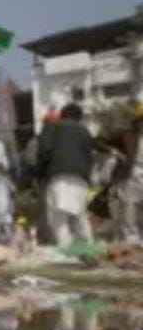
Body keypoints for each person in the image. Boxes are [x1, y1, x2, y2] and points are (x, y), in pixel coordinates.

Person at [37, 103, 96, 248]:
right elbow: (90, 157)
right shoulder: (85, 131)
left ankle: (68, 249)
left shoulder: (52, 127)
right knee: (79, 214)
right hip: (81, 178)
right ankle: (87, 247)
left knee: (58, 217)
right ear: (79, 117)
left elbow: (44, 152)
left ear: (62, 115)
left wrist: (40, 174)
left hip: (59, 176)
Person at [112, 103, 143, 244]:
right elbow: (103, 143)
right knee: (129, 208)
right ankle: (131, 239)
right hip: (131, 174)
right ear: (137, 121)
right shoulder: (127, 135)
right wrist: (117, 154)